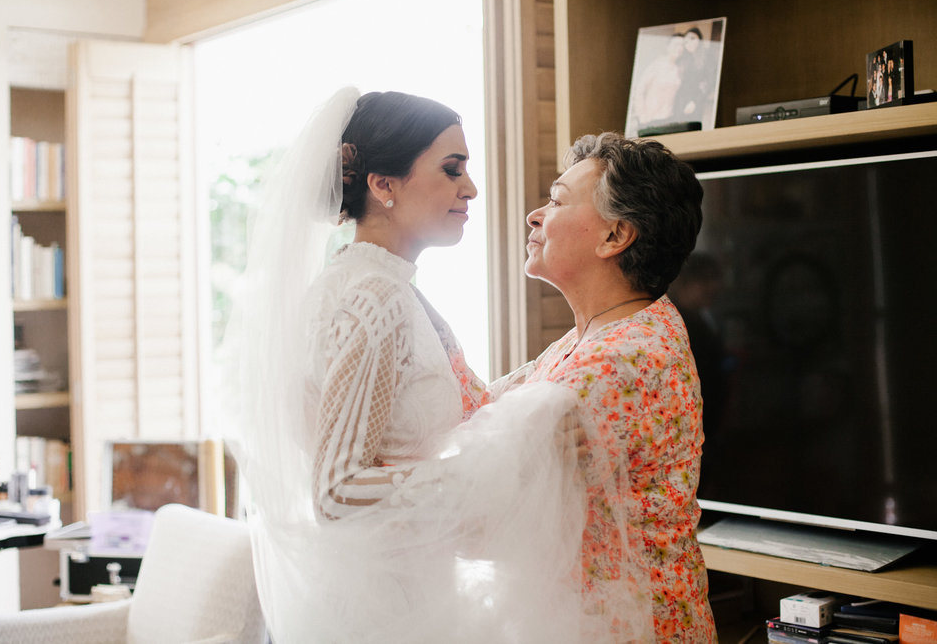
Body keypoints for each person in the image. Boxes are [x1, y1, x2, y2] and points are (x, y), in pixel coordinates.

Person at [226, 89, 626, 643]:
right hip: (385, 610)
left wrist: (567, 360)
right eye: (451, 169)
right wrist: (505, 460)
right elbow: (337, 491)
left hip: (397, 587)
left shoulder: (371, 287)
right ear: (383, 186)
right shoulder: (375, 300)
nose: (471, 188)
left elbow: (462, 394)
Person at [514, 132, 718, 642]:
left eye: (557, 200)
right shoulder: (605, 330)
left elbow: (487, 499)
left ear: (614, 237)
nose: (534, 216)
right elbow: (486, 408)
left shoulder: (622, 360)